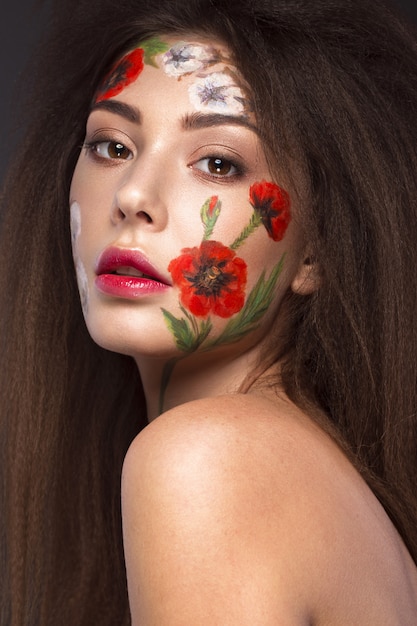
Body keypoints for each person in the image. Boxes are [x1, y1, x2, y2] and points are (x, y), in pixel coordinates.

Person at [1, 0, 417, 623]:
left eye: (218, 163)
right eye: (112, 146)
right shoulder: (308, 475)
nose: (133, 195)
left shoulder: (208, 461)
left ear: (317, 252)